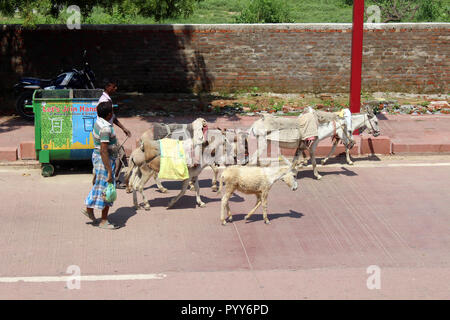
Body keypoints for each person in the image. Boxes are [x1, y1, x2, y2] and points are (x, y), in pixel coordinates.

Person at [82, 101, 120, 229]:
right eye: (112, 111)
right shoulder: (105, 128)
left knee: (99, 185)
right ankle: (104, 221)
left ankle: (89, 208)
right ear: (109, 114)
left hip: (99, 158)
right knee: (107, 189)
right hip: (104, 160)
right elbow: (104, 150)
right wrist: (109, 171)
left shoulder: (99, 121)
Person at [99, 80, 131, 186]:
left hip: (108, 132)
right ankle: (114, 179)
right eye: (113, 87)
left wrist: (123, 128)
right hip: (107, 133)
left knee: (119, 156)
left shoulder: (107, 99)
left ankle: (116, 178)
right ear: (107, 87)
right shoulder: (104, 101)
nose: (115, 89)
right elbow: (108, 117)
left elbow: (112, 117)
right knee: (120, 155)